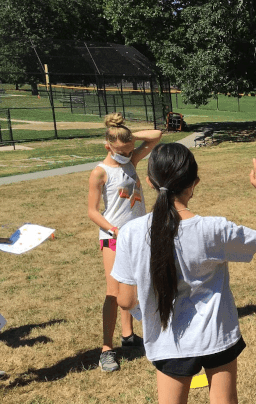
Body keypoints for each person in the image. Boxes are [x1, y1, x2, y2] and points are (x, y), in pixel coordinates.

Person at [111, 143, 256, 404]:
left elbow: (125, 300)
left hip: (167, 342)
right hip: (217, 335)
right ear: (194, 183)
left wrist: (150, 312)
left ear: (149, 182)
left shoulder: (130, 233)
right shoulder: (213, 229)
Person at [87, 112, 162, 372]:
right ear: (107, 145)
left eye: (130, 149)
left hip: (138, 235)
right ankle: (107, 350)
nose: (127, 154)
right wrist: (114, 230)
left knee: (135, 286)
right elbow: (93, 211)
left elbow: (156, 136)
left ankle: (128, 336)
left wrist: (129, 136)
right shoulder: (100, 172)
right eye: (121, 150)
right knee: (114, 293)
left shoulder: (131, 161)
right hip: (113, 238)